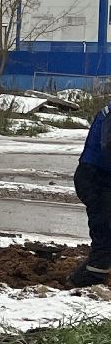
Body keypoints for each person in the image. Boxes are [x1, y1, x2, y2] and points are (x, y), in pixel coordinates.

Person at [68, 102, 111, 287]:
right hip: (96, 180)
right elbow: (109, 147)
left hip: (99, 177)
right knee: (105, 232)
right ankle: (88, 280)